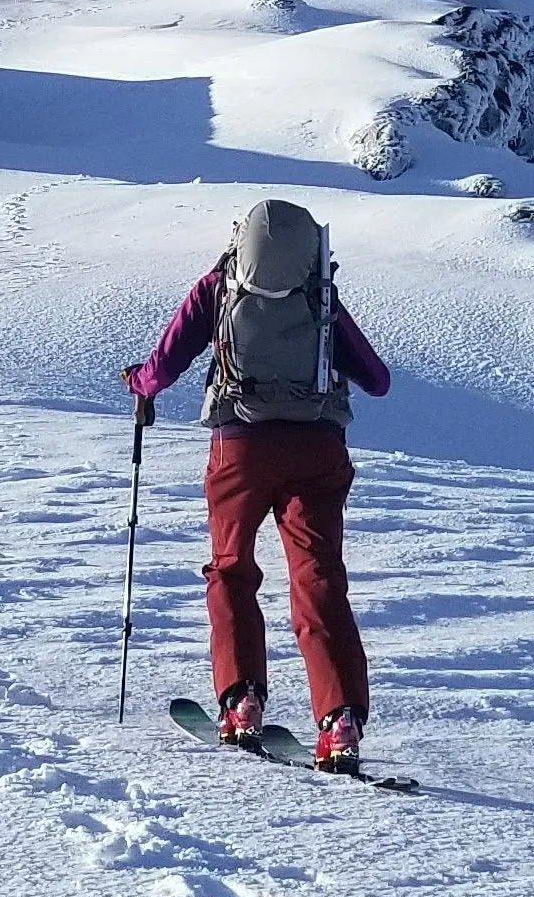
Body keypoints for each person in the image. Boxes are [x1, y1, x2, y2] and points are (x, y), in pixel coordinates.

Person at [122, 198, 393, 773]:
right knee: (319, 577)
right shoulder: (318, 295)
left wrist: (140, 385)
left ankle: (241, 702)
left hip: (238, 448)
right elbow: (378, 381)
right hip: (318, 448)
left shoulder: (219, 287)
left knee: (231, 568)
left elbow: (164, 365)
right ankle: (339, 721)